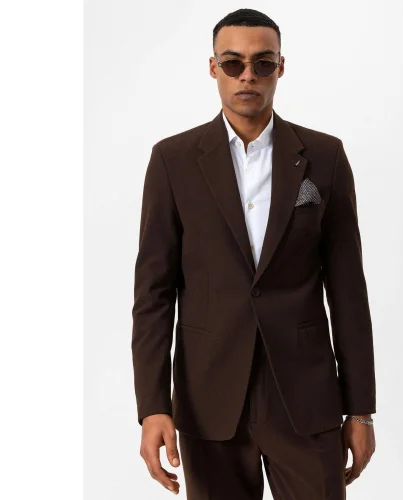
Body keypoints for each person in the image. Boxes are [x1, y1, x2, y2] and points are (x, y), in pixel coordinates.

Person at [131, 8, 376, 499]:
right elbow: (154, 294)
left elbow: (348, 292)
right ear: (213, 68)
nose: (248, 75)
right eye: (233, 63)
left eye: (263, 63)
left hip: (306, 398)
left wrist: (360, 409)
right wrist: (153, 406)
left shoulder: (325, 157)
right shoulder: (173, 160)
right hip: (208, 396)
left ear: (280, 68)